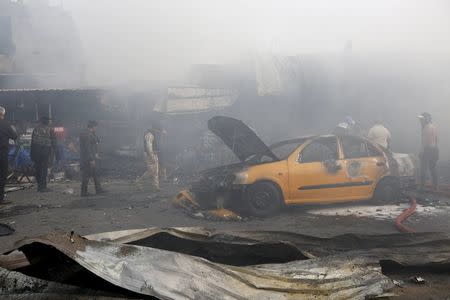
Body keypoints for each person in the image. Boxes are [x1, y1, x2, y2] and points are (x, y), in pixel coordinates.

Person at [30, 116, 59, 192]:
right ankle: (43, 187)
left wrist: (32, 154)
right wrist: (57, 153)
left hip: (36, 152)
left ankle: (39, 186)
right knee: (44, 169)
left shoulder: (35, 129)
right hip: (45, 153)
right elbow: (54, 142)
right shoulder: (50, 130)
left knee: (38, 169)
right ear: (47, 122)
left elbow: (32, 142)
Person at [79, 120, 105, 197]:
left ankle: (98, 189)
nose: (96, 129)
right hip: (87, 158)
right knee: (86, 175)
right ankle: (84, 192)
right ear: (92, 127)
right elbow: (88, 149)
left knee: (95, 173)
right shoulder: (86, 135)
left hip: (91, 157)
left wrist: (95, 155)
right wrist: (91, 159)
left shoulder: (91, 134)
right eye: (95, 127)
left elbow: (96, 141)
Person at [0, 106, 18, 203]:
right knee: (2, 175)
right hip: (2, 153)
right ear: (3, 114)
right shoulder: (5, 124)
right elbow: (14, 136)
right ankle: (0, 198)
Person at [418, 112, 439, 190]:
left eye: (421, 120)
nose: (420, 121)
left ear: (426, 119)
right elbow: (436, 139)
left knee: (423, 168)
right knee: (432, 168)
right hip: (434, 149)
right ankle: (435, 186)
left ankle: (422, 186)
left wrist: (422, 152)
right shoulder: (433, 127)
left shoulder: (426, 128)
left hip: (427, 149)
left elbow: (425, 142)